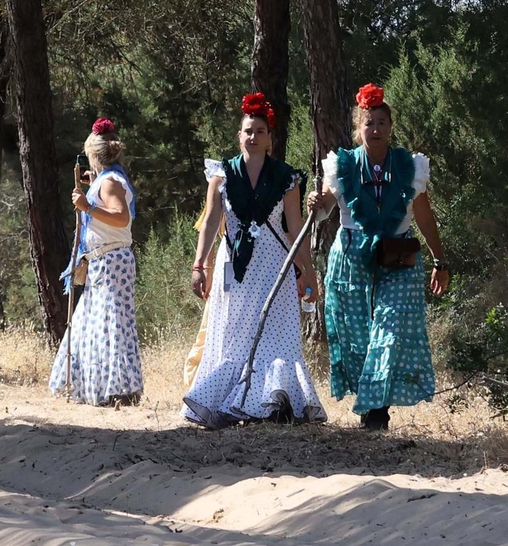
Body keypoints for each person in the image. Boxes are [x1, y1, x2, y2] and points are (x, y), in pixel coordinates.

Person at [307, 84, 449, 430]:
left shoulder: (409, 167)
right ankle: (372, 406)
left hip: (398, 257)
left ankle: (376, 410)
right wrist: (316, 203)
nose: (376, 129)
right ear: (359, 128)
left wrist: (440, 261)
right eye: (369, 123)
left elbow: (425, 216)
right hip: (352, 257)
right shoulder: (341, 166)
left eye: (382, 123)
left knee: (390, 327)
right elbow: (326, 209)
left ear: (391, 127)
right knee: (358, 333)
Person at [183, 93, 325, 428]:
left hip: (275, 266)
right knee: (233, 336)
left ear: (270, 139)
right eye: (248, 130)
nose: (253, 136)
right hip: (234, 266)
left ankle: (272, 402)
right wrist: (198, 264)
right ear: (239, 136)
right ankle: (229, 402)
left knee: (276, 336)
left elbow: (293, 229)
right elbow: (209, 223)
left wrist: (307, 273)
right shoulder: (221, 176)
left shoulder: (287, 178)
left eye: (260, 131)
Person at [48, 118, 143, 405]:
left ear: (93, 154)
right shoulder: (109, 179)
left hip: (112, 261)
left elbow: (121, 216)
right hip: (106, 261)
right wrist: (93, 189)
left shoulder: (111, 182)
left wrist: (88, 205)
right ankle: (103, 387)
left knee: (112, 324)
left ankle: (118, 390)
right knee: (99, 323)